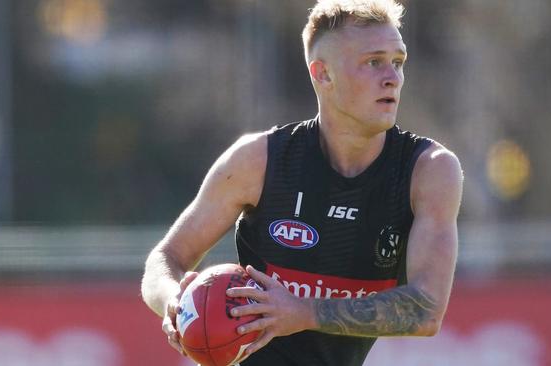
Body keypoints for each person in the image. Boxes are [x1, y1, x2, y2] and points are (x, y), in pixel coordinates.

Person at [141, 0, 463, 364]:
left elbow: (425, 310)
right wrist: (174, 302)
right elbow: (165, 258)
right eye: (373, 62)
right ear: (322, 74)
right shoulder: (258, 160)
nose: (392, 77)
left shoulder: (429, 170)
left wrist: (304, 311)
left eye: (398, 61)